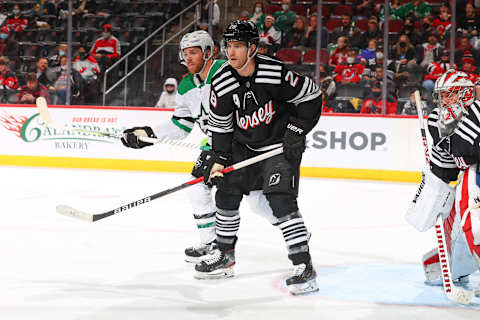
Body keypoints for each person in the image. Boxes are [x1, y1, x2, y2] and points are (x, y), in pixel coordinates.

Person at [120, 30, 276, 264]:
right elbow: (181, 126)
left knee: (237, 196)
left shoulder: (227, 71)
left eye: (194, 52)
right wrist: (146, 134)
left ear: (208, 52)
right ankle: (215, 241)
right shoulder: (185, 86)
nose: (189, 58)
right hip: (217, 145)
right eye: (185, 53)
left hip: (243, 143)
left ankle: (222, 245)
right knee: (239, 197)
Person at [198, 20, 322, 295]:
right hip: (244, 147)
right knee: (226, 192)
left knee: (280, 200)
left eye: (238, 46)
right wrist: (219, 159)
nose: (231, 52)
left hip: (280, 146)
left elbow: (312, 96)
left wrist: (296, 130)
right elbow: (221, 126)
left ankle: (304, 267)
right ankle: (225, 254)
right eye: (228, 46)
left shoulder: (275, 73)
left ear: (252, 48)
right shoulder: (221, 82)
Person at [405, 70, 480, 295]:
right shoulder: (437, 117)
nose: (442, 100)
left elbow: (465, 151)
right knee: (463, 223)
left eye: (448, 94)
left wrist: (453, 139)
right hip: (472, 175)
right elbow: (453, 162)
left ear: (463, 94)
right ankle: (453, 264)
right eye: (441, 95)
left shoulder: (475, 111)